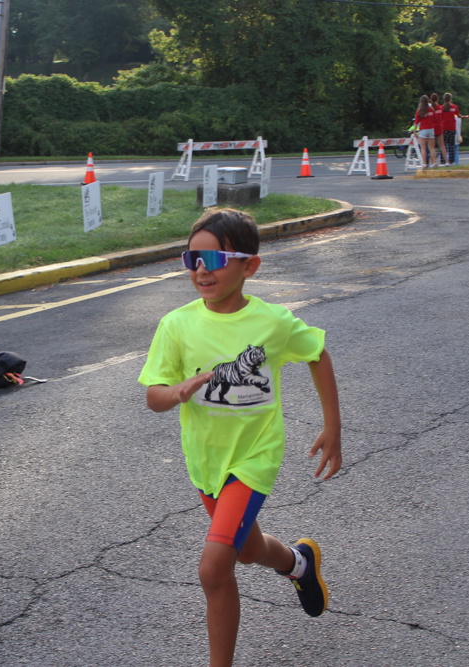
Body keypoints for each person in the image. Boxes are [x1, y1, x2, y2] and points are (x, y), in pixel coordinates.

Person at [139, 209, 343, 667]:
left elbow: (317, 353)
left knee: (214, 569)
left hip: (253, 458)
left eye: (213, 259)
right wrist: (177, 391)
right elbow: (154, 397)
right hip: (205, 461)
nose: (201, 269)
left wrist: (333, 426)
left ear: (249, 266)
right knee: (248, 551)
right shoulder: (176, 325)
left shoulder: (273, 323)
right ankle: (298, 563)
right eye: (191, 258)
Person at [441, 93, 469, 166]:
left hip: (444, 128)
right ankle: (451, 161)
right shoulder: (454, 107)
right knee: (451, 145)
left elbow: (440, 118)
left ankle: (444, 161)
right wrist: (465, 116)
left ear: (444, 99)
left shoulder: (442, 108)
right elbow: (458, 116)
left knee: (443, 145)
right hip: (452, 128)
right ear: (451, 99)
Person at [415, 95, 436, 169]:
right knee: (431, 148)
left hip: (423, 130)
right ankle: (434, 163)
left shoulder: (419, 111)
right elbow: (434, 118)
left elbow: (416, 122)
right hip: (431, 129)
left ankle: (424, 164)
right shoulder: (431, 109)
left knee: (423, 148)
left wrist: (414, 132)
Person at [430, 93, 447, 166]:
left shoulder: (430, 108)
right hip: (439, 127)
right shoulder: (440, 108)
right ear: (438, 99)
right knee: (442, 145)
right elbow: (442, 117)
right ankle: (447, 161)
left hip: (432, 127)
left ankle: (433, 162)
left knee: (432, 147)